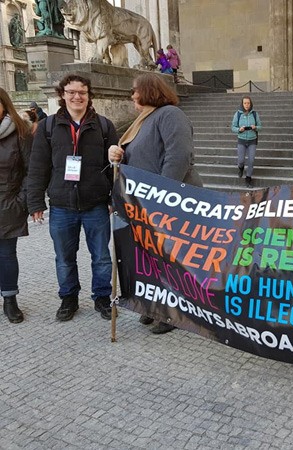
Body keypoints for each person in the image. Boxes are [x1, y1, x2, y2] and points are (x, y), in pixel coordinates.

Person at [108, 72, 202, 334]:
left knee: (169, 258)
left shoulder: (169, 114)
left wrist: (162, 196)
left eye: (134, 90)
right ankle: (154, 305)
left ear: (148, 91)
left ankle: (172, 313)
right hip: (144, 202)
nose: (132, 95)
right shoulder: (142, 120)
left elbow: (178, 155)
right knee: (150, 257)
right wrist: (117, 156)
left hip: (167, 201)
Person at [27, 74, 118, 322]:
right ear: (62, 95)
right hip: (61, 205)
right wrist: (35, 202)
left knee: (101, 257)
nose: (77, 96)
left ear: (89, 96)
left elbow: (115, 167)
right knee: (65, 258)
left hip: (96, 203)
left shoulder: (104, 125)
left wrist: (114, 197)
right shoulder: (48, 127)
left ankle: (102, 297)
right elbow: (38, 167)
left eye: (82, 92)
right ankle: (69, 298)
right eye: (71, 92)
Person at [0, 89, 33, 324]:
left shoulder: (20, 131)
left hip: (7, 202)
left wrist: (21, 199)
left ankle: (10, 299)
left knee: (6, 254)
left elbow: (30, 170)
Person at [231, 96, 262, 188]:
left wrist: (255, 127)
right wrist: (239, 129)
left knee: (251, 161)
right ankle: (240, 168)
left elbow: (260, 126)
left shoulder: (255, 114)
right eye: (245, 103)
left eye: (248, 103)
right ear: (242, 104)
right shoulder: (238, 114)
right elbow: (233, 127)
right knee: (241, 160)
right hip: (242, 140)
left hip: (252, 140)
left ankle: (248, 179)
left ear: (250, 103)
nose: (247, 105)